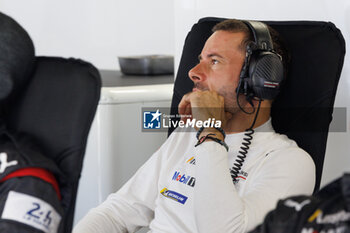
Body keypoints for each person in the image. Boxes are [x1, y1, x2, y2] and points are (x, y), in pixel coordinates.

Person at [73, 19, 315, 233]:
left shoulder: (290, 161)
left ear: (260, 79)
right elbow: (118, 212)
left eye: (215, 61)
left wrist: (211, 133)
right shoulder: (186, 135)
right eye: (200, 60)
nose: (193, 72)